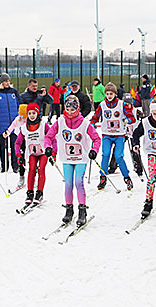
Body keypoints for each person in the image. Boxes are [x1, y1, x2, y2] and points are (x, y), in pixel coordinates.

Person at [44, 95, 101, 226]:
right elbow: (48, 137)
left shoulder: (84, 123)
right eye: (67, 109)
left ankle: (82, 210)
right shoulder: (60, 121)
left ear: (78, 108)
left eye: (72, 109)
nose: (70, 112)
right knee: (68, 184)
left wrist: (94, 150)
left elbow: (96, 138)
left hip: (81, 158)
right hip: (67, 158)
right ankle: (69, 210)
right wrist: (48, 147)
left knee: (78, 182)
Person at [90, 82, 136, 190]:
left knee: (119, 156)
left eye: (111, 93)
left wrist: (128, 120)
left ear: (115, 94)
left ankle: (127, 177)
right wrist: (92, 122)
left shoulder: (122, 104)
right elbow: (96, 116)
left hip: (119, 135)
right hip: (107, 134)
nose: (109, 96)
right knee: (105, 154)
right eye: (107, 93)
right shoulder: (102, 105)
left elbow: (132, 117)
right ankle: (103, 177)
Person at [15, 103, 56, 205]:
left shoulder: (43, 125)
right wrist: (18, 155)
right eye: (29, 113)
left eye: (34, 113)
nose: (32, 115)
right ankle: (30, 193)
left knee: (41, 169)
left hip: (43, 153)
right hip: (32, 153)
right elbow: (17, 143)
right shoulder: (24, 127)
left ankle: (39, 193)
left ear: (38, 113)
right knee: (32, 169)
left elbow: (53, 138)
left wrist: (53, 153)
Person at [0, 73, 21, 173]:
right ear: (1, 82)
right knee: (3, 147)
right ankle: (4, 166)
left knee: (15, 146)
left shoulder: (14, 92)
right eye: (5, 81)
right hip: (2, 126)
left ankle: (15, 166)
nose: (7, 83)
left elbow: (19, 105)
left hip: (14, 125)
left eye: (8, 81)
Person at [4, 104, 28, 189]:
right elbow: (11, 127)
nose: (24, 118)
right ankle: (21, 177)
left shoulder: (30, 120)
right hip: (19, 141)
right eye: (22, 116)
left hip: (28, 141)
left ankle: (34, 176)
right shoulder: (17, 120)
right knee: (20, 159)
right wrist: (7, 132)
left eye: (25, 116)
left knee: (30, 159)